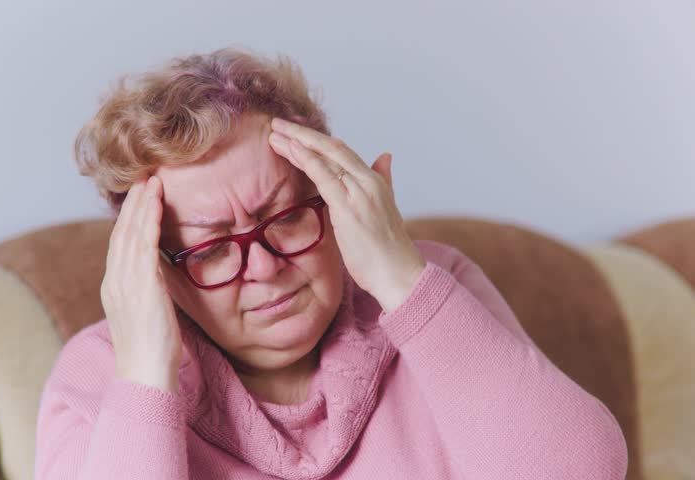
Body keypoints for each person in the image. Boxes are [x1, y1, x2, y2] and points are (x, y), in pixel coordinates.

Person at [34, 46, 628, 479]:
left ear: (342, 198)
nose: (264, 268)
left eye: (287, 216)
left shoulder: (429, 284)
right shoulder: (102, 370)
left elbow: (584, 470)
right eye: (212, 249)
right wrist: (145, 378)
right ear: (153, 270)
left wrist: (401, 279)